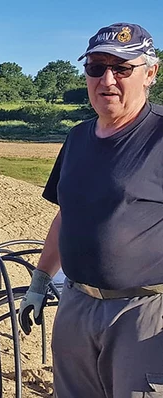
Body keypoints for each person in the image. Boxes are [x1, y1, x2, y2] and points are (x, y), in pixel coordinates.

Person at [18, 22, 163, 397]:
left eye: (122, 68)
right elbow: (67, 213)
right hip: (77, 304)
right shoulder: (78, 137)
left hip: (143, 311)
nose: (107, 80)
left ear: (150, 73)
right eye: (96, 68)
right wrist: (39, 281)